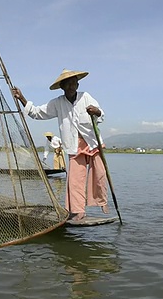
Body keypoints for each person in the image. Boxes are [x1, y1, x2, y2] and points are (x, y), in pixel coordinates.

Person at [12, 69, 109, 221]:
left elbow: (101, 114)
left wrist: (96, 111)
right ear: (62, 86)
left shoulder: (86, 97)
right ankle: (77, 211)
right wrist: (22, 98)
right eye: (69, 84)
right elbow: (37, 113)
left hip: (92, 142)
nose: (72, 86)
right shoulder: (57, 103)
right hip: (74, 146)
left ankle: (101, 201)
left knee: (100, 175)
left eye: (74, 83)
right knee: (75, 180)